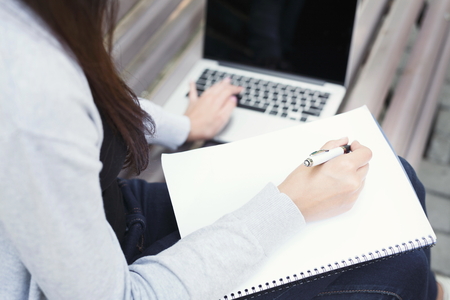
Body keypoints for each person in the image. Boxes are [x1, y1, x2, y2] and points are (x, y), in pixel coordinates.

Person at [0, 0, 448, 299]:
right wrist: (290, 205)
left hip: (108, 222)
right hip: (122, 276)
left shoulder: (35, 24)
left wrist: (185, 125)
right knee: (400, 270)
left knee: (396, 178)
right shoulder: (30, 90)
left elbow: (87, 100)